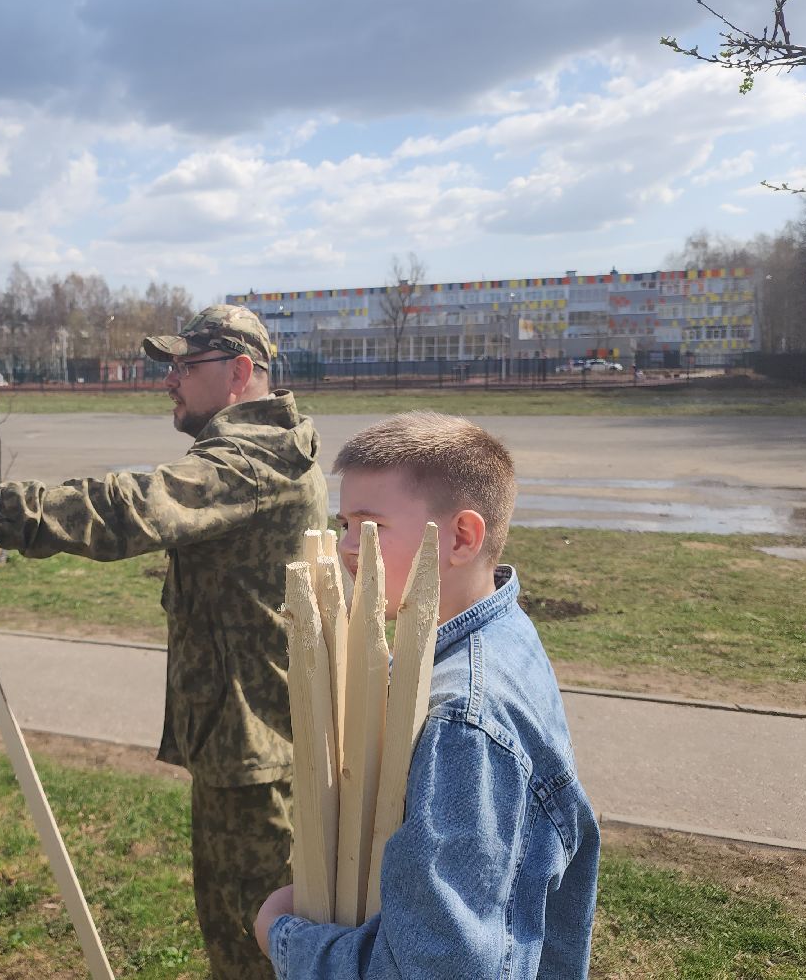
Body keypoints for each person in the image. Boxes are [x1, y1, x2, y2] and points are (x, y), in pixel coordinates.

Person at [0, 305, 328, 980]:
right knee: (234, 938)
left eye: (185, 365)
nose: (169, 380)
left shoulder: (257, 459)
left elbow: (136, 507)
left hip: (260, 750)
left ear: (241, 372)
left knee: (254, 949)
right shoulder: (252, 451)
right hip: (243, 742)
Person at [254, 412, 599, 979]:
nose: (344, 548)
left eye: (368, 527)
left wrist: (284, 937)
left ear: (461, 537)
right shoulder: (501, 630)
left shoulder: (460, 721)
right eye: (342, 525)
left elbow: (438, 969)